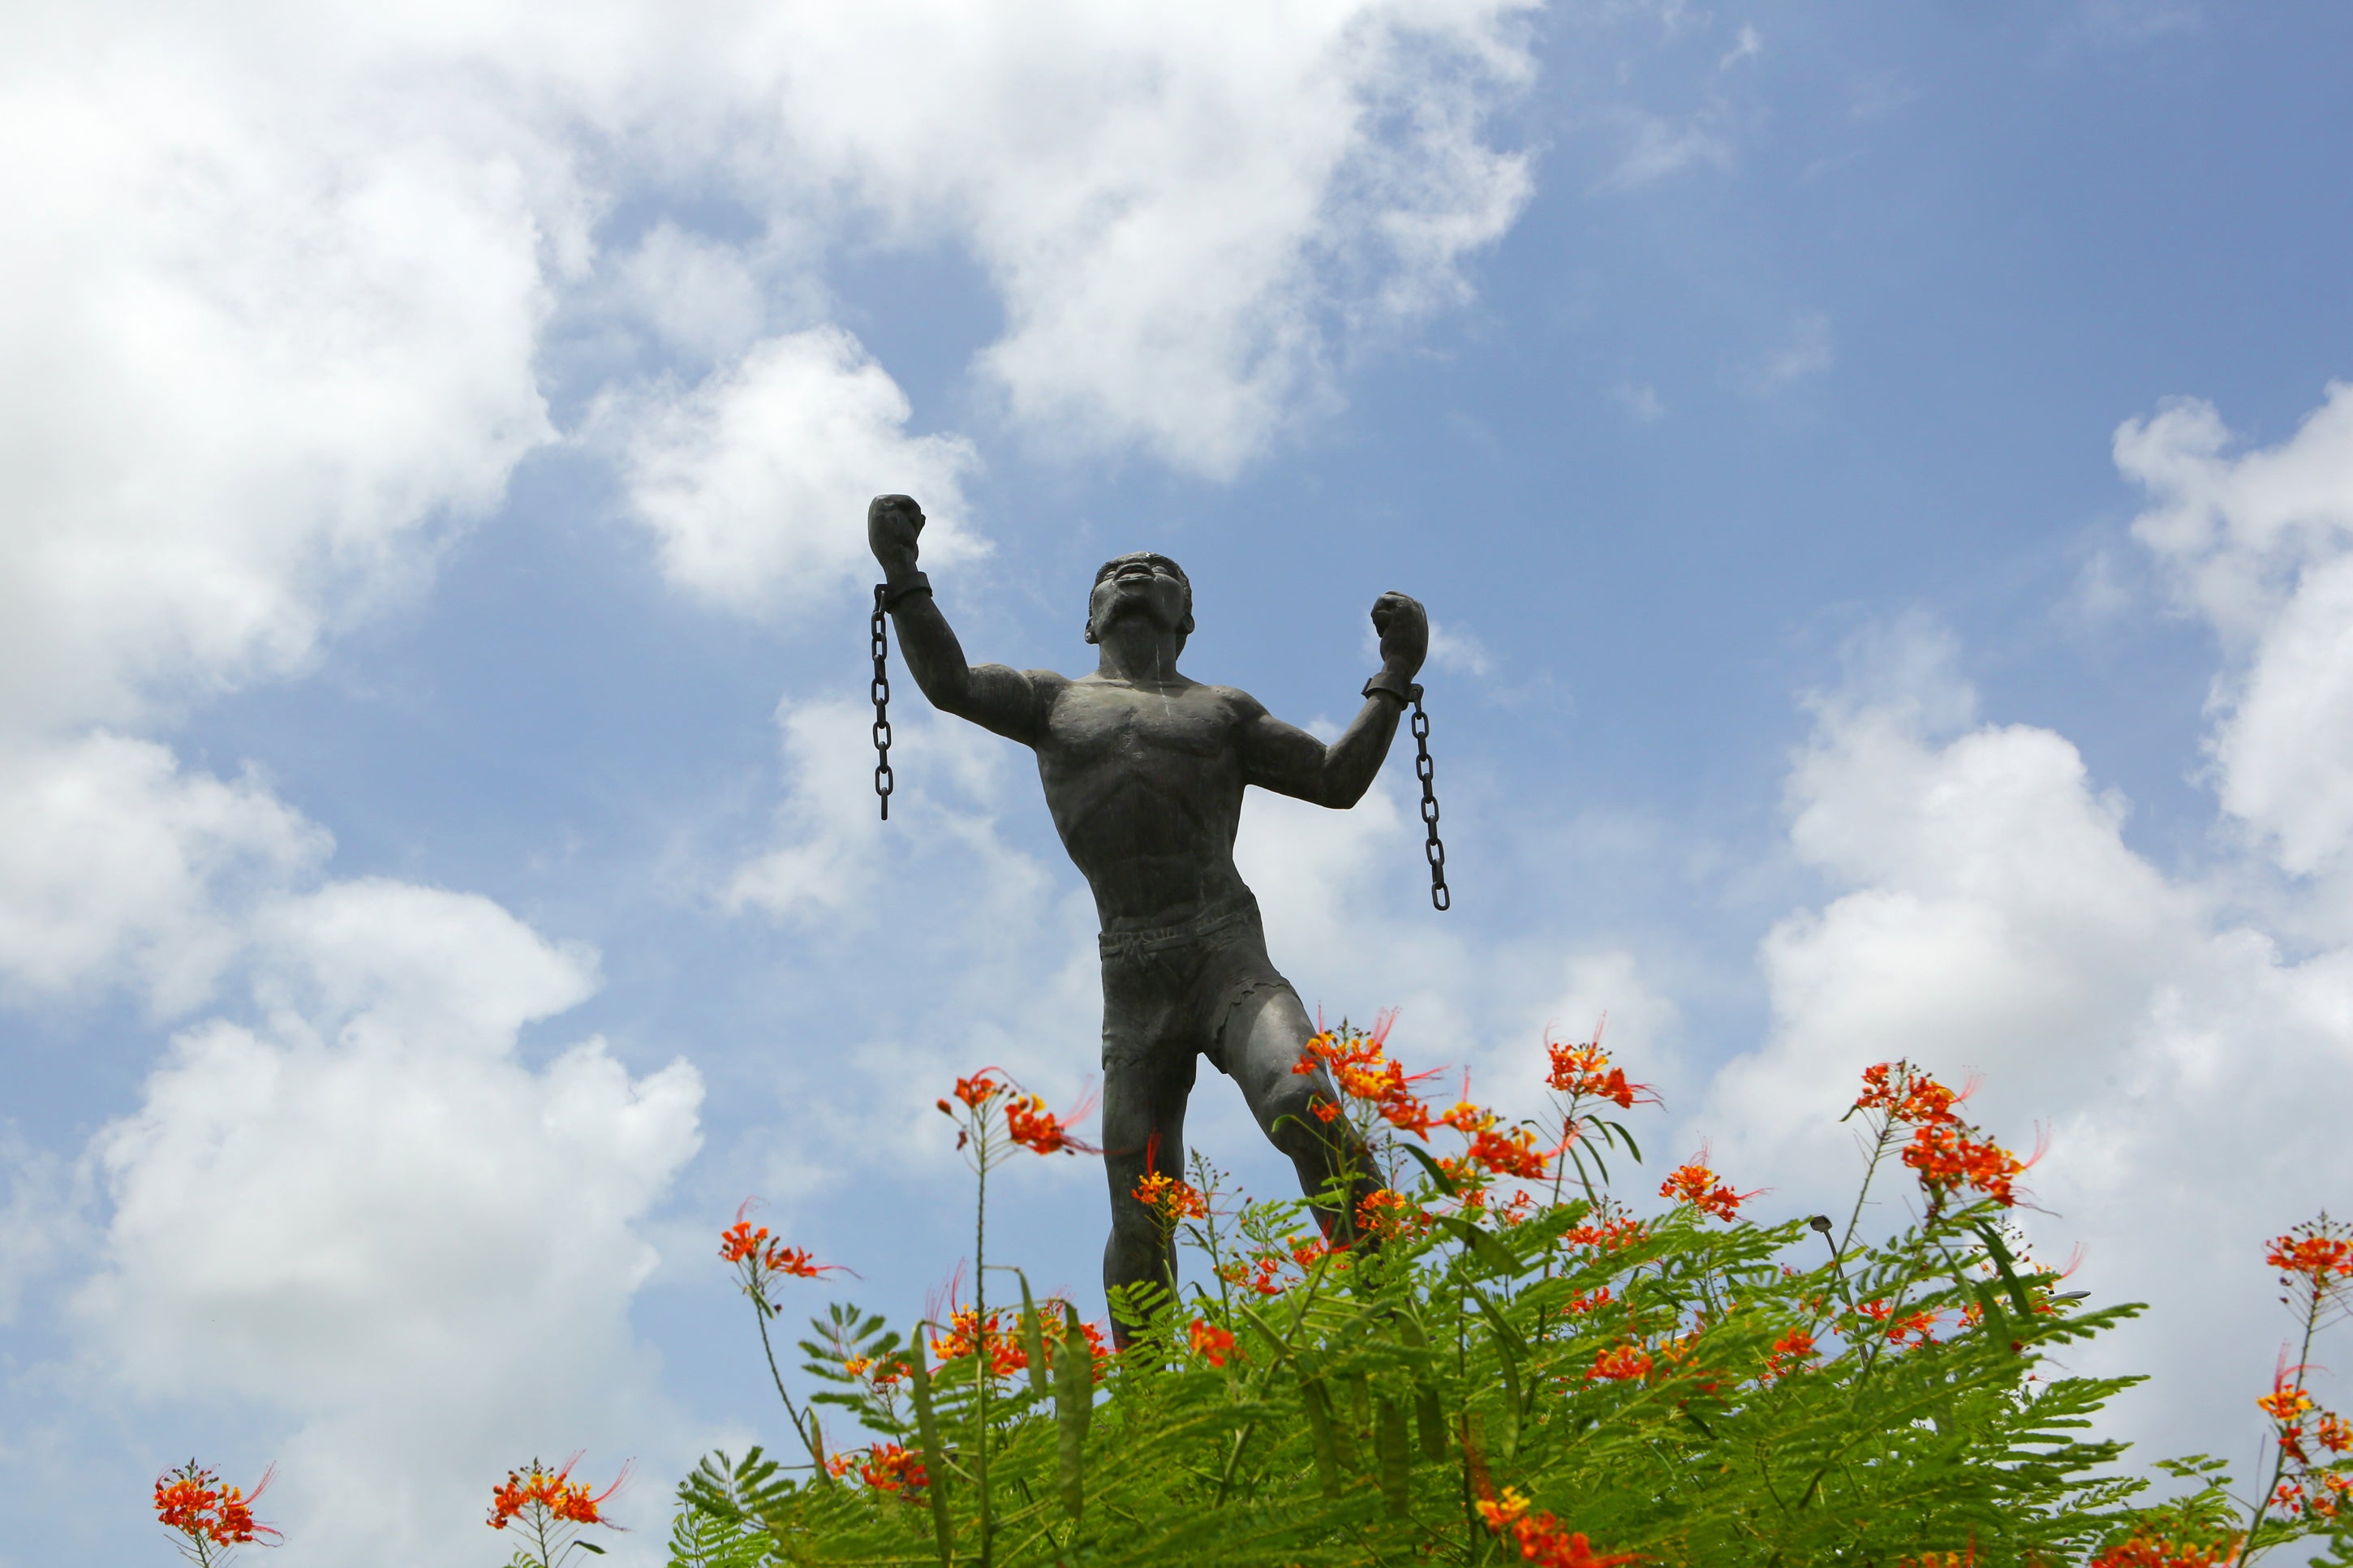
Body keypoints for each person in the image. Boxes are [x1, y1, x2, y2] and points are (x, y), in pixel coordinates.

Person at [866, 494, 1429, 1323]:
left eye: (1162, 571)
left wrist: (1393, 677)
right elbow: (948, 684)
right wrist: (904, 576)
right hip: (1132, 975)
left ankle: (1394, 1320)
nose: (1135, 572)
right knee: (1141, 1209)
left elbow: (1332, 782)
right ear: (1087, 620)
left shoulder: (1221, 711)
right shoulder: (1051, 702)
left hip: (1227, 955)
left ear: (1186, 618)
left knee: (1303, 1103)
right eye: (1111, 574)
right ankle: (1156, 1419)